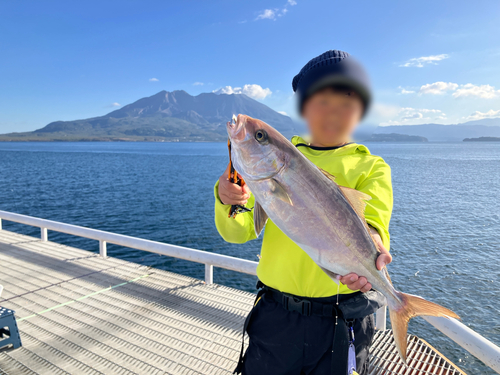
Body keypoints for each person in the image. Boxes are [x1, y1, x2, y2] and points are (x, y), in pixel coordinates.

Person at [214, 50, 393, 375]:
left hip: (343, 323)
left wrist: (375, 250)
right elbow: (237, 232)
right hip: (275, 317)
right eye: (322, 101)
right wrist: (227, 198)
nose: (334, 111)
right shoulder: (278, 158)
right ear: (305, 107)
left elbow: (374, 225)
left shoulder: (371, 167)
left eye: (347, 101)